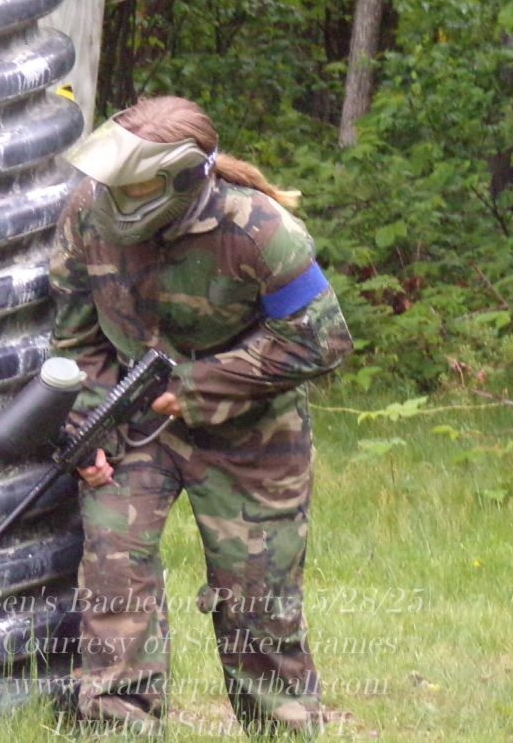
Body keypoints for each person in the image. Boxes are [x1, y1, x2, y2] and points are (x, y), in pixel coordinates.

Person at [49, 96, 352, 736]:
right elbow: (77, 340)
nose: (113, 198)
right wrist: (89, 428)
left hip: (252, 432)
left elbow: (321, 340)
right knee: (114, 577)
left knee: (256, 600)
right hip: (132, 419)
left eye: (133, 187)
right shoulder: (88, 212)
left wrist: (198, 386)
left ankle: (280, 728)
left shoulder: (261, 231)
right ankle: (117, 727)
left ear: (182, 179)